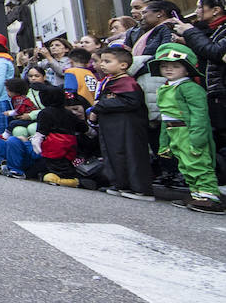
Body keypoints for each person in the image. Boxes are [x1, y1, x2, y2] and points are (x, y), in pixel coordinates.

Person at [151, 44, 224, 214]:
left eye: (176, 66)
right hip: (174, 132)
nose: (169, 69)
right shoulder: (165, 88)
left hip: (188, 131)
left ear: (187, 69)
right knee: (185, 165)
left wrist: (198, 139)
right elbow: (165, 117)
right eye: (164, 66)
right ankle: (197, 195)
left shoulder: (190, 88)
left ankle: (211, 198)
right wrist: (164, 142)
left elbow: (200, 116)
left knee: (199, 163)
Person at [90, 46, 154, 200]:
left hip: (127, 126)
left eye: (107, 61)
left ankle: (140, 188)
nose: (102, 64)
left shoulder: (128, 82)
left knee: (131, 154)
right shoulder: (110, 81)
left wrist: (100, 106)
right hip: (112, 126)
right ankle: (121, 184)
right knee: (115, 154)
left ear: (123, 65)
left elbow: (131, 102)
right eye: (102, 61)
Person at [174, 0, 226, 181]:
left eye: (200, 7)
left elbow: (214, 52)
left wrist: (189, 32)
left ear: (216, 10)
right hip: (212, 92)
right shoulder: (210, 30)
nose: (196, 11)